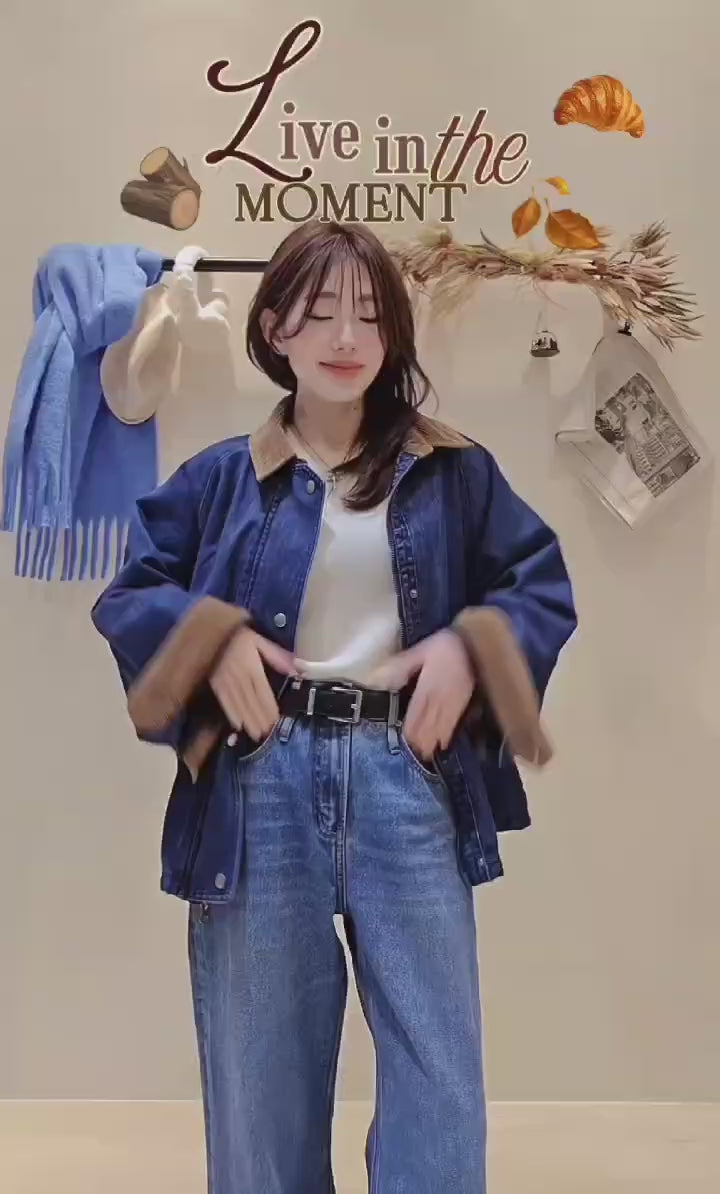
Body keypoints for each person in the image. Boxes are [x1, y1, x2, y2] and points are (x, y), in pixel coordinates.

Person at [91, 219, 577, 1194]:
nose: (346, 336)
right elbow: (133, 593)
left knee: (438, 1078)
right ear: (274, 327)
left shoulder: (455, 471)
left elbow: (536, 585)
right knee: (260, 1076)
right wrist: (212, 637)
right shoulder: (224, 478)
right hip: (260, 783)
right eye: (318, 312)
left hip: (409, 779)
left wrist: (470, 646)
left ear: (395, 330)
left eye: (368, 313)